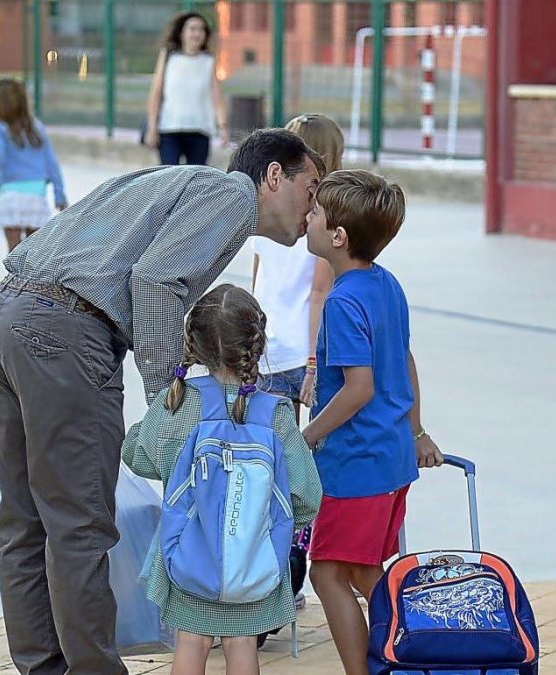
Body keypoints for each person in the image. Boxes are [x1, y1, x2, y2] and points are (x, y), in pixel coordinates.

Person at [0, 128, 323, 675]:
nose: (314, 207)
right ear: (273, 177)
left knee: (24, 518)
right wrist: (172, 401)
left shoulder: (179, 181)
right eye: (312, 187)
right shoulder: (232, 196)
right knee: (79, 525)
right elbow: (157, 281)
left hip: (4, 315)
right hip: (64, 331)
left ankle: (43, 666)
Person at [121, 283, 323, 675]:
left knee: (191, 641)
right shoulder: (276, 414)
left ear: (193, 345)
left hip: (186, 551)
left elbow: (138, 457)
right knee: (243, 643)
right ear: (257, 344)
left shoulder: (177, 402)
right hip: (254, 557)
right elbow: (306, 495)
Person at [299, 169, 445, 675]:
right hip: (390, 460)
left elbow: (358, 389)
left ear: (337, 237)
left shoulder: (341, 301)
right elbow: (403, 360)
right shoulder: (386, 284)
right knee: (364, 573)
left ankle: (394, 658)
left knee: (326, 575)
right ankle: (420, 645)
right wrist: (416, 429)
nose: (308, 216)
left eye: (315, 212)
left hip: (354, 463)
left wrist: (307, 436)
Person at [250, 113, 342, 639]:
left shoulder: (264, 210)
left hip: (261, 350)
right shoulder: (324, 221)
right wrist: (314, 363)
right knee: (293, 472)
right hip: (293, 355)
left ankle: (259, 581)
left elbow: (258, 279)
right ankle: (285, 582)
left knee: (260, 466)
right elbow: (319, 295)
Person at [0, 78, 68, 253]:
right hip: (36, 195)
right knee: (33, 254)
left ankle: (14, 280)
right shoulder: (35, 127)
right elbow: (51, 163)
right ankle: (30, 281)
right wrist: (59, 194)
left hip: (10, 195)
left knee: (14, 252)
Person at [144, 11, 228, 166]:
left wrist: (222, 127)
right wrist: (152, 126)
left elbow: (217, 97)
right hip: (169, 128)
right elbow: (156, 93)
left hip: (199, 129)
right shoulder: (169, 57)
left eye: (201, 29)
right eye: (192, 29)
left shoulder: (208, 61)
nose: (197, 34)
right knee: (170, 176)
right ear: (182, 33)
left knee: (196, 178)